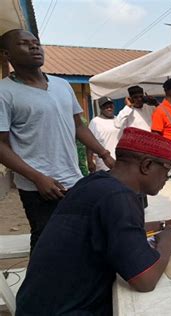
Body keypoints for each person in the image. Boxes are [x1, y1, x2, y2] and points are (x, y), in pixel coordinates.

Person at [15, 127, 171, 315]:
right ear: (147, 165)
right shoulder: (120, 197)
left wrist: (165, 225)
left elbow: (113, 229)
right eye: (167, 169)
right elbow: (145, 280)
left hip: (36, 306)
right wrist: (166, 244)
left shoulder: (93, 183)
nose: (167, 178)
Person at [0, 29, 114, 251]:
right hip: (40, 188)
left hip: (74, 179)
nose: (34, 47)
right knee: (46, 244)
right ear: (6, 54)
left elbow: (78, 127)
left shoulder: (61, 85)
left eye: (36, 43)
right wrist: (38, 178)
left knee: (81, 237)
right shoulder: (4, 92)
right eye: (24, 44)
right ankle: (39, 286)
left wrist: (105, 155)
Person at [87, 96, 121, 172]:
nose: (109, 108)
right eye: (106, 107)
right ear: (101, 108)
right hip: (104, 164)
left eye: (111, 106)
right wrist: (90, 161)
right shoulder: (95, 122)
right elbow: (89, 143)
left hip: (119, 162)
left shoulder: (118, 120)